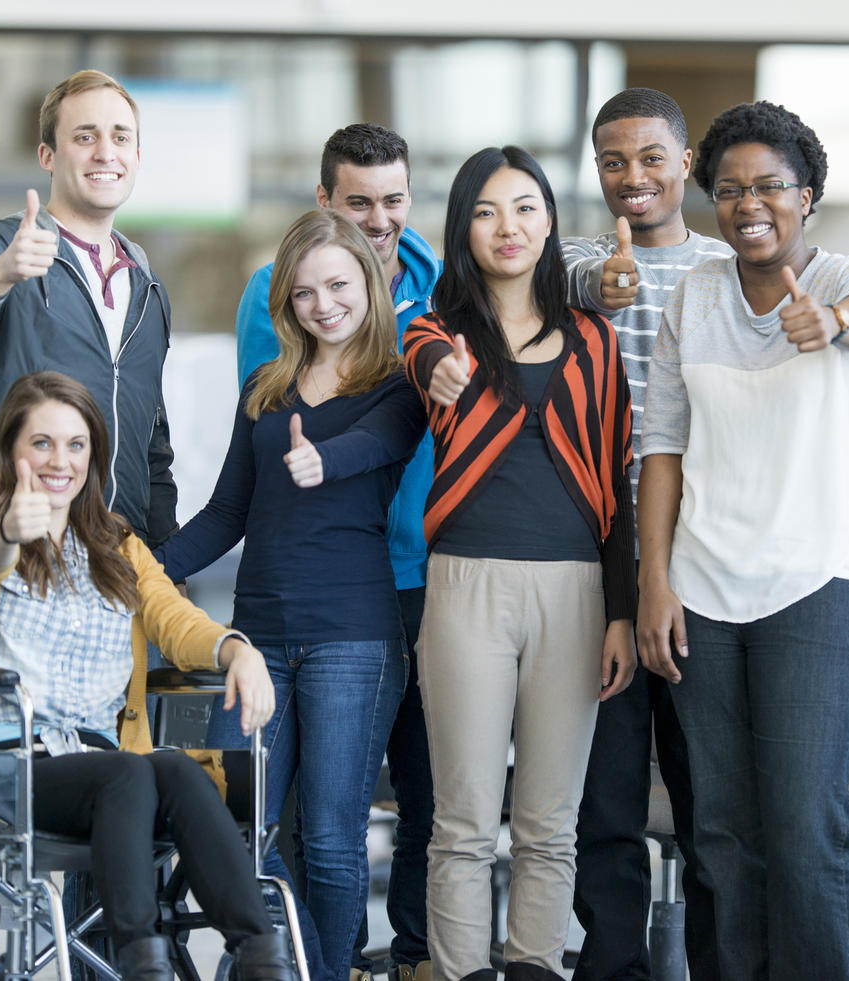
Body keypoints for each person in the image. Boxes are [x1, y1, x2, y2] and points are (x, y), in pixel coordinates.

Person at [636, 101, 849, 981]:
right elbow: (662, 449)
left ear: (808, 193)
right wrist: (653, 583)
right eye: (730, 189)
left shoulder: (845, 277)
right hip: (703, 590)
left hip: (819, 585)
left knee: (803, 831)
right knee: (720, 832)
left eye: (771, 186)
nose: (750, 203)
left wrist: (832, 325)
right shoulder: (695, 295)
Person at [0, 371, 293, 981]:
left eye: (75, 444)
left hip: (105, 765)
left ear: (93, 457)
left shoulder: (120, 549)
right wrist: (6, 536)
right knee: (130, 770)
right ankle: (140, 962)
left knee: (171, 766)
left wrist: (236, 651)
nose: (59, 460)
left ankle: (258, 955)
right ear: (10, 451)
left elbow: (174, 620)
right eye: (40, 443)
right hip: (7, 771)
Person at [156, 209, 426, 981]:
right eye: (304, 292)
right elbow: (226, 514)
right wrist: (144, 564)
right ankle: (289, 967)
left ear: (368, 286)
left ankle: (327, 972)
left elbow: (376, 447)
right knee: (253, 830)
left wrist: (323, 461)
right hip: (260, 641)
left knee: (336, 838)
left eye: (338, 284)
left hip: (354, 638)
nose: (323, 304)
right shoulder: (265, 388)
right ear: (286, 302)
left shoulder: (399, 383)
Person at [404, 145, 637, 981]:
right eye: (488, 211)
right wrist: (442, 370)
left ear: (550, 221)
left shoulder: (595, 341)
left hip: (575, 592)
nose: (510, 227)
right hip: (466, 586)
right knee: (463, 823)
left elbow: (615, 484)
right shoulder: (437, 331)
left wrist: (619, 610)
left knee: (550, 823)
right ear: (464, 227)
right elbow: (419, 358)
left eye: (527, 207)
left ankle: (534, 968)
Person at [237, 123, 440, 981]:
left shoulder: (444, 284)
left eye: (394, 200)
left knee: (425, 798)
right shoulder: (272, 297)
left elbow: (396, 426)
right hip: (322, 583)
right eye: (360, 202)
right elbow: (274, 445)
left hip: (429, 573)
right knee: (311, 816)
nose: (379, 218)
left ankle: (419, 957)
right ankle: (328, 962)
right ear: (326, 200)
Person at [560, 87, 727, 981]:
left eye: (652, 158)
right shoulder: (574, 261)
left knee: (710, 804)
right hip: (594, 561)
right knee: (606, 798)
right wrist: (602, 284)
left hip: (702, 563)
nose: (634, 178)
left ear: (686, 161)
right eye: (615, 161)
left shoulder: (724, 268)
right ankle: (613, 965)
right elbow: (573, 278)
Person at [0, 70, 178, 548]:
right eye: (84, 136)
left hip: (118, 553)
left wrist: (166, 556)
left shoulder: (147, 285)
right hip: (15, 542)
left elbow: (153, 445)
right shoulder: (4, 246)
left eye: (120, 137)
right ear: (47, 156)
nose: (104, 152)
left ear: (136, 156)